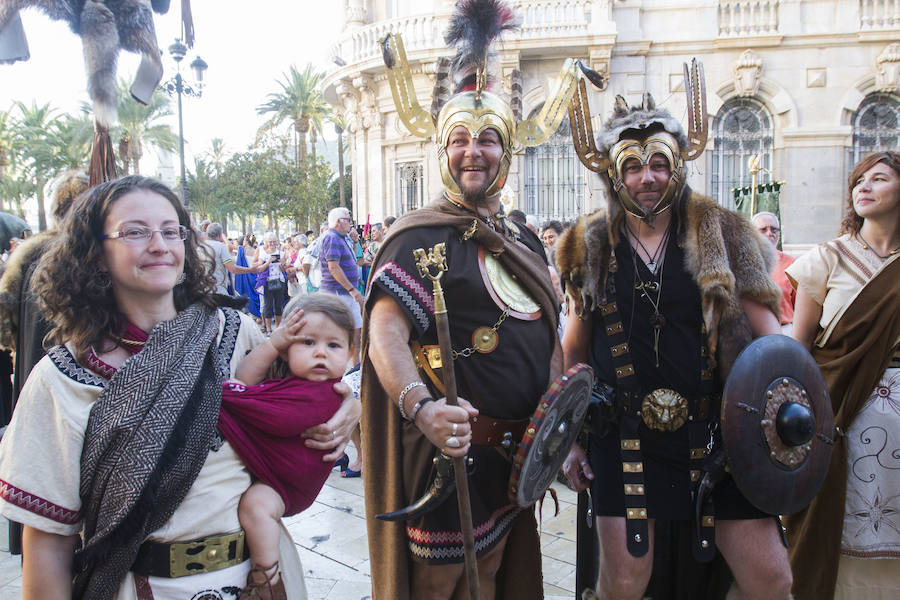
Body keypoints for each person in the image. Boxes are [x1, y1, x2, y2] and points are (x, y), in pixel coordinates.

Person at [0, 176, 360, 599]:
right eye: (135, 232)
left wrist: (349, 403)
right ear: (95, 254)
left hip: (258, 580)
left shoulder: (235, 332)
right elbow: (48, 540)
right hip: (140, 587)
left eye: (171, 231)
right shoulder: (63, 378)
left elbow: (313, 388)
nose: (159, 244)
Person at [361, 2, 573, 596]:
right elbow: (384, 332)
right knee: (443, 583)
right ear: (442, 150)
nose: (472, 152)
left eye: (487, 140)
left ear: (506, 153)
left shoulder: (522, 239)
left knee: (498, 571)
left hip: (514, 459)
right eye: (459, 140)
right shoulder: (419, 236)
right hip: (450, 458)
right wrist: (422, 408)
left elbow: (546, 331)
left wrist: (557, 422)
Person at [557, 92, 791, 599]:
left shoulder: (725, 232)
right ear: (615, 176)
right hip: (624, 438)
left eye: (659, 163)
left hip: (717, 436)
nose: (647, 178)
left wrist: (786, 417)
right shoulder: (590, 242)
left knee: (771, 578)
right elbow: (573, 351)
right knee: (623, 581)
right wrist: (570, 438)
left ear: (678, 165)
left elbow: (772, 344)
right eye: (633, 166)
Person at [784, 151, 900, 600]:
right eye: (859, 181)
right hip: (837, 419)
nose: (864, 187)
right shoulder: (828, 258)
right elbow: (800, 347)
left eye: (879, 178)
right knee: (835, 532)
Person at [218, 293, 356, 599]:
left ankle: (266, 577)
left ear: (349, 353)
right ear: (286, 350)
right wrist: (272, 344)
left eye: (333, 345)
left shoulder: (325, 394)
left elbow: (251, 402)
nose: (321, 353)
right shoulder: (290, 383)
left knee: (256, 506)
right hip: (278, 476)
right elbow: (245, 377)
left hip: (287, 487)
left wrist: (220, 394)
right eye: (308, 343)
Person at [317, 207, 362, 364]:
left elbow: (352, 259)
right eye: (348, 219)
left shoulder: (340, 237)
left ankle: (355, 366)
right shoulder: (332, 238)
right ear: (338, 222)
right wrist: (352, 290)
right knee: (340, 332)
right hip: (338, 293)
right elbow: (333, 267)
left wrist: (355, 241)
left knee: (356, 329)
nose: (351, 223)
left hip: (344, 293)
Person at [751, 211, 796, 333]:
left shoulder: (792, 264)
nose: (769, 233)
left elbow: (799, 305)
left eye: (774, 230)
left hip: (784, 329)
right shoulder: (742, 263)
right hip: (751, 332)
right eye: (763, 229)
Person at [203, 222, 259, 296]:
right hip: (218, 289)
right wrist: (250, 270)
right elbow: (232, 269)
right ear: (220, 235)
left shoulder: (200, 246)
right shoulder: (221, 247)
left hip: (202, 289)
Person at [255, 232, 288, 334]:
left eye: (274, 241)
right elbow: (259, 268)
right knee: (268, 305)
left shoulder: (281, 253)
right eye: (270, 241)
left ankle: (278, 327)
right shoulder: (263, 253)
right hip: (268, 282)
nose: (272, 244)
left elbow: (283, 270)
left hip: (279, 280)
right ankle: (269, 328)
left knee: (278, 305)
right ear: (266, 242)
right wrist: (268, 261)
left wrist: (282, 264)